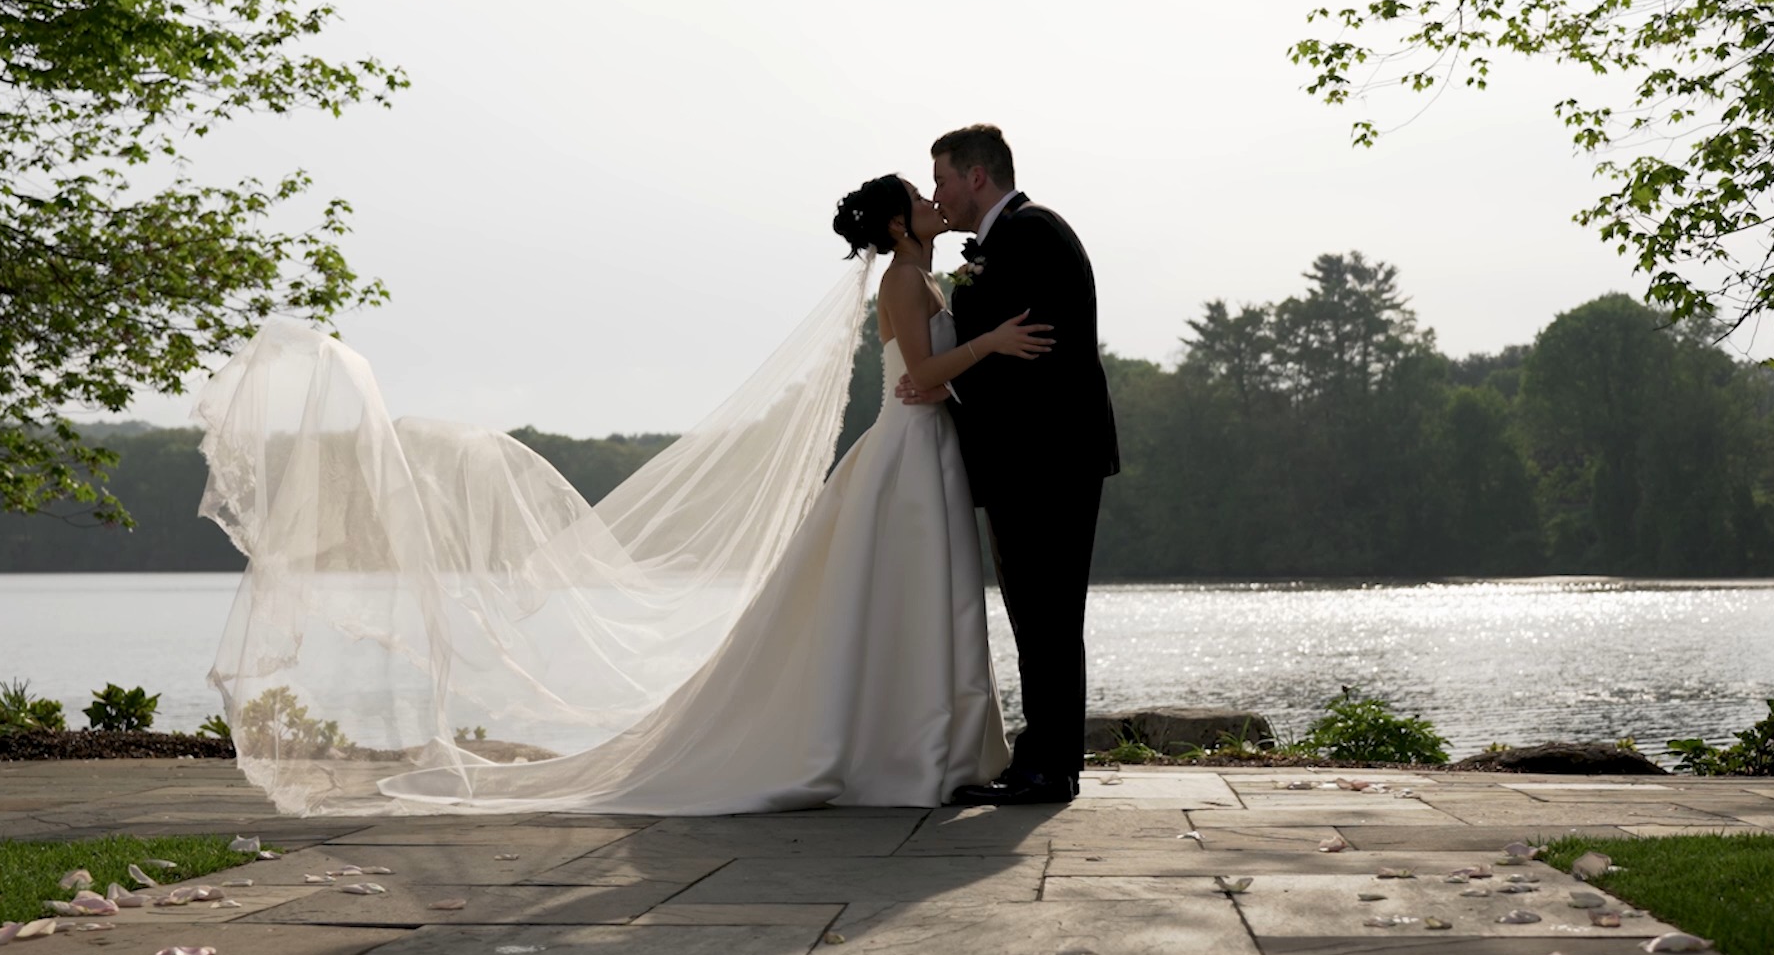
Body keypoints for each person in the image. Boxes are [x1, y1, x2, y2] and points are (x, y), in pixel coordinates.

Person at [195, 171, 1053, 815]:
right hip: (907, 456)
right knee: (909, 598)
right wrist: (991, 348)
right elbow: (918, 379)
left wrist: (970, 357)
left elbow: (926, 376)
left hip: (930, 453)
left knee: (925, 602)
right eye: (923, 197)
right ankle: (905, 755)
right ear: (899, 223)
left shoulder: (929, 280)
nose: (936, 203)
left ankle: (930, 751)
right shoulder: (903, 281)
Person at [897, 124, 1121, 806]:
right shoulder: (1012, 238)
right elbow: (1006, 349)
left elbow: (1038, 352)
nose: (937, 193)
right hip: (1032, 460)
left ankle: (1047, 767)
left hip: (1045, 460)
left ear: (976, 176)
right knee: (1041, 613)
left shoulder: (1031, 235)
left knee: (1046, 612)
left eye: (941, 179)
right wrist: (956, 382)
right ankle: (1049, 759)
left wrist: (951, 385)